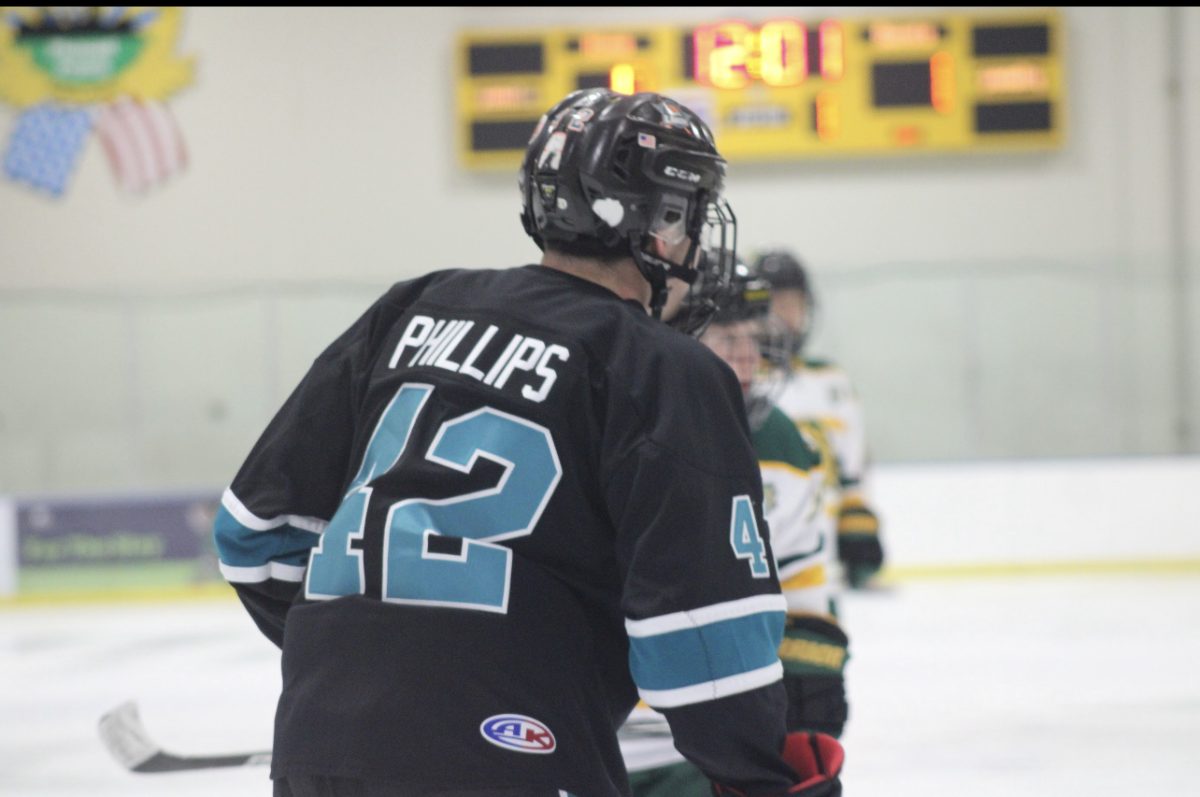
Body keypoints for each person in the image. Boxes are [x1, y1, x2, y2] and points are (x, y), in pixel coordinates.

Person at [212, 88, 843, 797]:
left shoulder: (411, 307)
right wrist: (763, 778)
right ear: (661, 221)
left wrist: (367, 664)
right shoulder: (660, 367)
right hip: (517, 755)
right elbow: (702, 641)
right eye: (687, 211)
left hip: (317, 746)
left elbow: (254, 532)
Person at [622, 266, 851, 797]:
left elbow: (800, 577)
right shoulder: (621, 419)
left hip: (719, 748)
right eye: (728, 337)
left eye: (755, 336)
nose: (748, 355)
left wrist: (809, 690)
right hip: (602, 738)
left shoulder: (779, 441)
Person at [753, 249, 885, 590]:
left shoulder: (831, 382)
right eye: (776, 303)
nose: (786, 315)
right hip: (761, 551)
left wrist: (858, 526)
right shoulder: (741, 381)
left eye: (794, 303)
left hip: (822, 564)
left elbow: (853, 468)